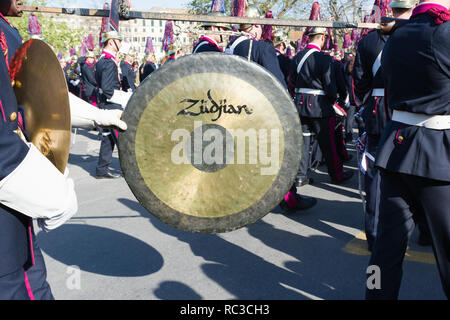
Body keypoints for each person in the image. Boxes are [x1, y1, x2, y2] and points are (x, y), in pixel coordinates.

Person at [366, 0, 450, 299]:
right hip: (438, 149)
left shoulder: (398, 35)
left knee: (385, 249)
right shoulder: (444, 31)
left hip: (397, 144)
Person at [0, 0, 77, 300]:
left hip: (15, 199)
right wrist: (50, 192)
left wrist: (100, 117)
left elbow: (32, 103)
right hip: (8, 193)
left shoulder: (6, 32)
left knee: (32, 280)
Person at [353, 0, 431, 251]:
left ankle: (374, 234)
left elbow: (359, 82)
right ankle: (425, 230)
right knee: (419, 168)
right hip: (413, 108)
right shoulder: (424, 32)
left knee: (376, 173)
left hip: (378, 109)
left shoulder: (367, 41)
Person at [227, 4, 317, 212]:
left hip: (230, 112)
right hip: (258, 113)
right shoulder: (261, 47)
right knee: (278, 158)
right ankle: (289, 199)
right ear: (255, 26)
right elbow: (277, 87)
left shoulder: (229, 48)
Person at [292, 27, 354, 186]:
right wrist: (334, 99)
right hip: (320, 106)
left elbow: (291, 81)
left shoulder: (297, 56)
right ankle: (337, 175)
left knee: (302, 142)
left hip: (299, 103)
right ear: (321, 38)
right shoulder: (324, 59)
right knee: (329, 144)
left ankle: (300, 175)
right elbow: (329, 85)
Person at [94, 30, 128, 179]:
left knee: (108, 138)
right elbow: (108, 89)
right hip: (111, 105)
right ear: (111, 42)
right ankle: (131, 170)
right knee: (123, 138)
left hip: (107, 104)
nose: (120, 43)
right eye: (119, 41)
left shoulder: (104, 59)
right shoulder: (107, 62)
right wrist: (124, 98)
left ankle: (102, 169)